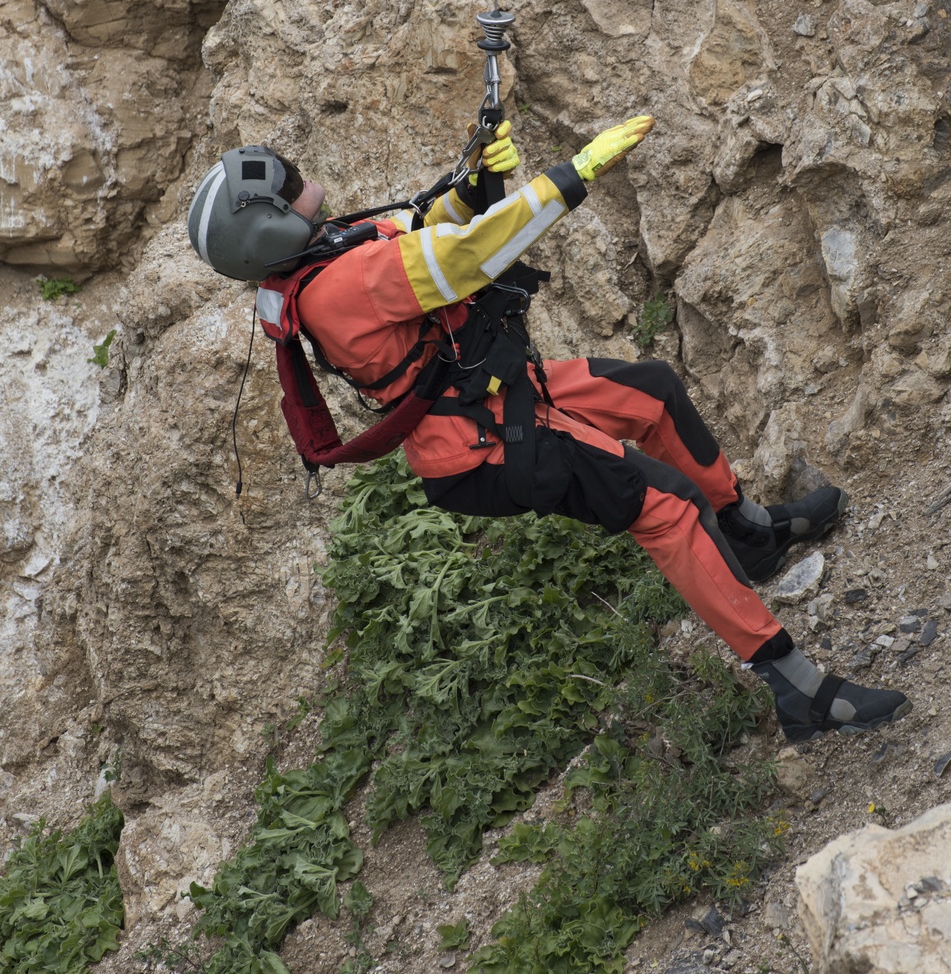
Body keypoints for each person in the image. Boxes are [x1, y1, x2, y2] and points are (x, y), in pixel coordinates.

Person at [188, 116, 911, 744]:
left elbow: (425, 230)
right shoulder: (342, 285)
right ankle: (800, 691)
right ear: (269, 225)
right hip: (487, 445)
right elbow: (468, 257)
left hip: (495, 397)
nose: (304, 183)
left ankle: (748, 534)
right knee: (666, 509)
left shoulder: (325, 253)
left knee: (650, 392)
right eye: (290, 185)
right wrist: (574, 175)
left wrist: (473, 187)